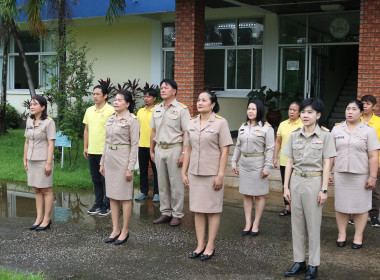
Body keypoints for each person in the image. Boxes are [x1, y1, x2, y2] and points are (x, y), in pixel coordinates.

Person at [283, 98, 336, 280]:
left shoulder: (325, 136)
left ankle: (313, 265)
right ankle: (299, 262)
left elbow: (327, 162)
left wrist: (324, 189)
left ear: (318, 115)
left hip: (314, 182)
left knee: (313, 226)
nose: (305, 115)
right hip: (296, 181)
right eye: (303, 112)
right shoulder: (294, 135)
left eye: (310, 112)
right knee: (296, 225)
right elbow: (289, 161)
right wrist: (286, 187)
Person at [182, 91, 233, 261]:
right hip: (195, 173)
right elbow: (188, 149)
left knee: (212, 210)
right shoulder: (191, 122)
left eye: (204, 100)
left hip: (212, 173)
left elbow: (225, 151)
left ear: (212, 104)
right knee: (197, 210)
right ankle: (200, 245)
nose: (200, 102)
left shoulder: (220, 123)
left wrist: (220, 174)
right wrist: (184, 171)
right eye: (198, 100)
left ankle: (210, 245)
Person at [330, 100, 380, 249]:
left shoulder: (368, 130)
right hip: (341, 174)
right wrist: (327, 173)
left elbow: (373, 156)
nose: (350, 112)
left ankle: (358, 236)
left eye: (353, 109)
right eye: (347, 108)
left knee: (361, 207)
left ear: (360, 112)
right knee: (341, 206)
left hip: (361, 176)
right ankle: (342, 234)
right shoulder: (337, 129)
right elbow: (330, 154)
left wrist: (372, 177)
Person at [100, 90, 139, 245]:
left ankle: (125, 230)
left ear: (127, 103)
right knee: (112, 195)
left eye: (119, 100)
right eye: (115, 100)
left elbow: (134, 145)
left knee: (124, 196)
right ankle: (115, 229)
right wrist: (102, 162)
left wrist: (130, 167)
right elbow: (106, 142)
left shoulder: (132, 120)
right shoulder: (111, 119)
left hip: (123, 159)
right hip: (110, 159)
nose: (115, 102)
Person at [150, 79, 191, 226]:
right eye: (161, 87)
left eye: (166, 88)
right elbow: (153, 131)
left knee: (176, 183)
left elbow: (187, 132)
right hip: (160, 149)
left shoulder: (182, 109)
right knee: (162, 183)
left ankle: (177, 214)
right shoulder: (157, 109)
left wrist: (184, 153)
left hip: (175, 148)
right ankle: (165, 212)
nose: (162, 90)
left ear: (174, 91)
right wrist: (151, 150)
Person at [231, 99, 274, 236]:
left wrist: (267, 167)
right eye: (249, 109)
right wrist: (233, 161)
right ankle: (248, 222)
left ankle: (256, 223)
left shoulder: (267, 128)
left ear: (259, 111)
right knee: (247, 194)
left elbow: (270, 149)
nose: (250, 111)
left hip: (258, 164)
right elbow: (238, 146)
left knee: (259, 195)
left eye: (253, 109)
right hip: (244, 164)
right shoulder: (243, 126)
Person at [24, 95, 56, 231]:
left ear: (43, 107)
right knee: (37, 189)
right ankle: (38, 217)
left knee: (46, 190)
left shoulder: (49, 122)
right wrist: (24, 159)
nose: (32, 106)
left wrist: (48, 163)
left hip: (43, 160)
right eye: (31, 104)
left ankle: (47, 219)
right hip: (31, 159)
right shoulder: (29, 121)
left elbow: (51, 143)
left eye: (35, 104)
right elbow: (26, 142)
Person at [83, 85, 115, 216]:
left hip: (105, 151)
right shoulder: (89, 110)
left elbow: (114, 132)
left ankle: (107, 204)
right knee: (95, 178)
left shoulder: (111, 110)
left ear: (105, 95)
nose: (95, 96)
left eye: (98, 94)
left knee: (105, 179)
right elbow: (87, 129)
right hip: (92, 150)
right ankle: (98, 202)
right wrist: (85, 147)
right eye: (93, 94)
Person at [274, 102, 302, 216]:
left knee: (297, 185)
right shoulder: (282, 124)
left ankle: (297, 207)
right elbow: (278, 142)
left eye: (294, 110)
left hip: (299, 161)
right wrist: (275, 157)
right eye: (290, 109)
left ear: (299, 112)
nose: (291, 112)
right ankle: (287, 207)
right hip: (285, 160)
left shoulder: (303, 125)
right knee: (285, 184)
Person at [135, 88, 159, 202]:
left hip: (154, 146)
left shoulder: (157, 111)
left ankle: (157, 193)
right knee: (143, 170)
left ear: (154, 98)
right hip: (141, 145)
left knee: (156, 170)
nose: (146, 98)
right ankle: (143, 192)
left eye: (148, 96)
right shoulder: (140, 111)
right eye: (145, 96)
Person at [360, 94, 380, 227]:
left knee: (375, 190)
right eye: (363, 103)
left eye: (367, 103)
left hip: (375, 160)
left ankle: (374, 216)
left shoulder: (378, 122)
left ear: (374, 106)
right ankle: (358, 214)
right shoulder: (356, 120)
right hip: (359, 161)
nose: (365, 106)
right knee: (358, 189)